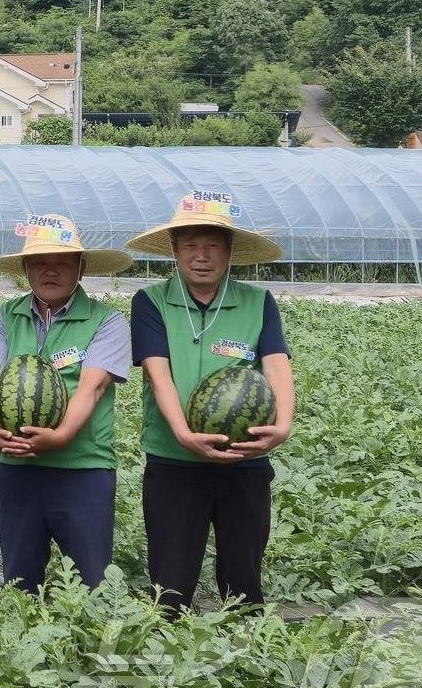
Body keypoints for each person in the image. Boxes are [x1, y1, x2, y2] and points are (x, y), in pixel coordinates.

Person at [127, 192, 296, 611]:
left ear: (230, 251)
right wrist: (184, 434)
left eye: (212, 246)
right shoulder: (150, 302)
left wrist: (283, 426)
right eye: (191, 246)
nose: (201, 256)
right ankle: (170, 666)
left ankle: (245, 663)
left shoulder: (258, 302)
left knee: (243, 579)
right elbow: (157, 373)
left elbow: (276, 366)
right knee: (170, 585)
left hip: (246, 460)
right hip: (173, 461)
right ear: (175, 250)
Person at [0, 214, 133, 591]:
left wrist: (59, 437)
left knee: (91, 583)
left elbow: (91, 388)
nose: (51, 270)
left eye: (63, 262)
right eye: (40, 262)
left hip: (83, 471)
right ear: (25, 268)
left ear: (81, 267)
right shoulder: (2, 317)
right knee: (20, 582)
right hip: (16, 470)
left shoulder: (106, 321)